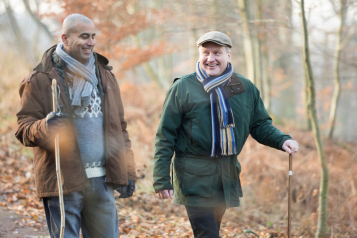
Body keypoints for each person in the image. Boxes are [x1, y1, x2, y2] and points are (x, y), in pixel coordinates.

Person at [153, 31, 299, 237]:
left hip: (226, 176)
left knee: (211, 230)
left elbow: (259, 124)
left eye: (217, 53)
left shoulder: (245, 88)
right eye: (205, 53)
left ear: (228, 55)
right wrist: (161, 179)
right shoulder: (183, 87)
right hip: (193, 177)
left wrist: (282, 139)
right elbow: (165, 135)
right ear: (199, 55)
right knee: (208, 233)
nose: (210, 59)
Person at [15, 14, 136, 238]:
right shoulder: (40, 79)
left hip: (102, 179)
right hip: (63, 180)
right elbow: (23, 128)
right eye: (84, 36)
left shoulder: (105, 77)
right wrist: (45, 126)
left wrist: (128, 170)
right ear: (65, 38)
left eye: (93, 37)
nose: (91, 42)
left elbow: (119, 128)